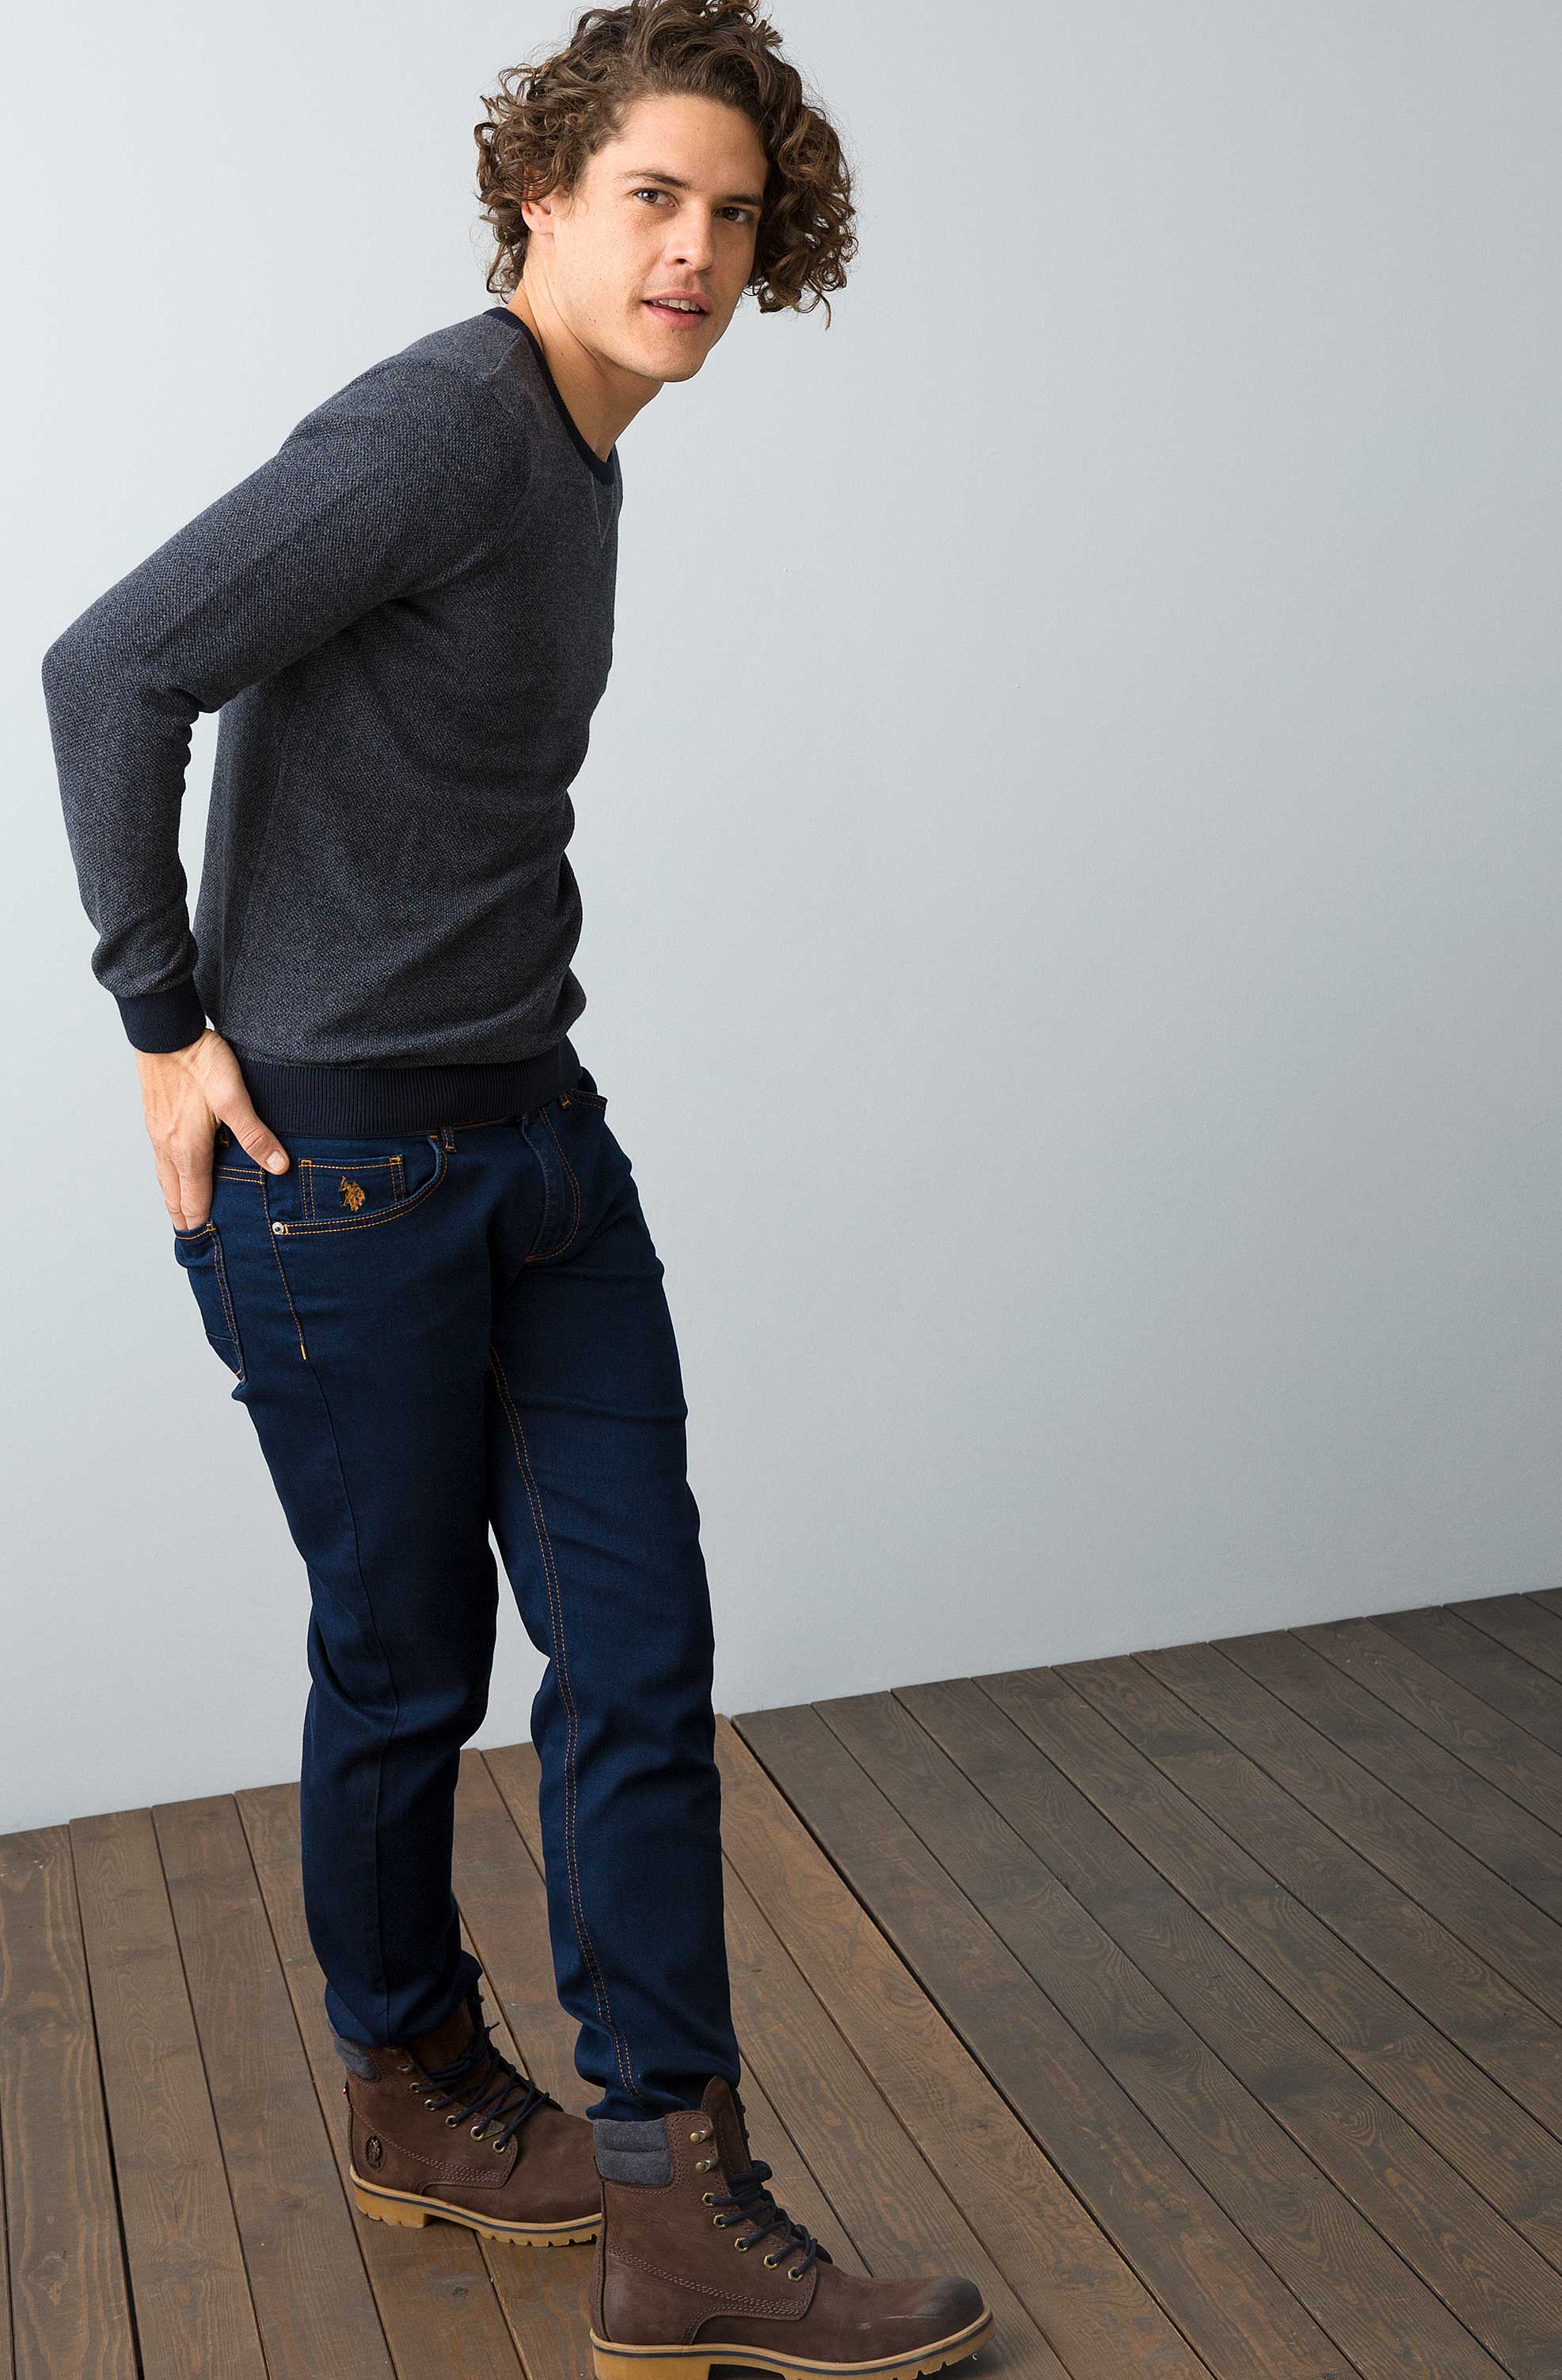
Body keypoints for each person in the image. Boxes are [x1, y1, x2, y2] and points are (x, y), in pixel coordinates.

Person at [41, 3, 994, 2373]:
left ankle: (678, 2205)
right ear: (542, 201)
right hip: (344, 1173)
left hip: (538, 1145)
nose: (694, 252)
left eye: (734, 216)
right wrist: (161, 1017)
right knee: (405, 1666)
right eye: (651, 197)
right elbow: (110, 665)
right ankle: (414, 2083)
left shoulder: (575, 455)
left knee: (638, 1658)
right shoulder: (444, 427)